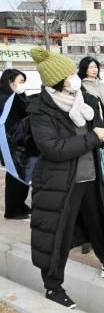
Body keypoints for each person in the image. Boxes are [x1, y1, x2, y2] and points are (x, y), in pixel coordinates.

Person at [28, 48, 104, 309]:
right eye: (69, 74)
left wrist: (101, 134)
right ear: (58, 80)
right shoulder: (41, 110)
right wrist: (92, 137)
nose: (74, 77)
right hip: (60, 183)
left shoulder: (84, 100)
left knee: (99, 221)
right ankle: (53, 287)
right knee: (59, 234)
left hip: (90, 175)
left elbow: (97, 130)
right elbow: (53, 148)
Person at [0, 69, 34, 219]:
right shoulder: (3, 98)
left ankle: (20, 204)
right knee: (14, 175)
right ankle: (12, 210)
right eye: (20, 81)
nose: (22, 85)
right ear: (10, 81)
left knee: (23, 173)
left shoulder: (17, 96)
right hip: (10, 143)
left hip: (21, 142)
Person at [78, 57, 104, 132]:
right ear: (84, 69)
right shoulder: (80, 88)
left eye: (95, 67)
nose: (94, 70)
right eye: (91, 67)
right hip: (91, 130)